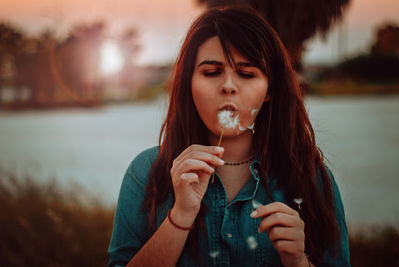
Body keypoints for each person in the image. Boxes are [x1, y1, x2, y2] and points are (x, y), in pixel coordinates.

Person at [108, 6, 350, 267]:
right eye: (211, 72)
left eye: (246, 74)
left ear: (269, 90)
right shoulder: (146, 172)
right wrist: (180, 216)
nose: (228, 86)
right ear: (188, 83)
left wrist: (299, 262)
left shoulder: (309, 177)